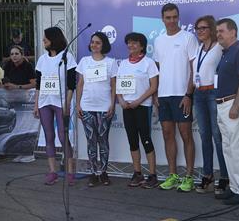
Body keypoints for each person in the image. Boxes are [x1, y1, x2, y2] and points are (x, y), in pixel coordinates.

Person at [153, 3, 198, 192]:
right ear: (162, 19)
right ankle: (172, 175)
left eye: (174, 17)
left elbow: (194, 70)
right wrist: (155, 94)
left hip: (182, 95)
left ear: (178, 17)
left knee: (186, 135)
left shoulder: (189, 38)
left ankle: (188, 176)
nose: (171, 21)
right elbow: (156, 70)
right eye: (168, 17)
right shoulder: (158, 40)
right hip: (164, 95)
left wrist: (188, 94)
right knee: (167, 134)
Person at [214, 18, 239, 205]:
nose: (218, 34)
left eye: (221, 31)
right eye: (217, 31)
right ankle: (235, 187)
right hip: (222, 105)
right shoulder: (226, 53)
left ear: (233, 32)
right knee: (228, 149)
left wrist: (236, 106)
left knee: (238, 149)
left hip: (233, 104)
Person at [34, 27, 76, 186]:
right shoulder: (42, 60)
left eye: (46, 38)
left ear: (54, 39)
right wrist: (36, 104)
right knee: (48, 136)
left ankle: (70, 172)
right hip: (45, 102)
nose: (43, 40)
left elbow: (71, 84)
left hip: (61, 102)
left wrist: (67, 102)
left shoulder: (67, 58)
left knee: (62, 136)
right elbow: (38, 84)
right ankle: (52, 171)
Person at [192, 15, 229, 195]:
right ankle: (207, 174)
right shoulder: (199, 48)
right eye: (198, 28)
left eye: (204, 28)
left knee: (217, 135)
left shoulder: (219, 47)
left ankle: (224, 176)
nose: (200, 31)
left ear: (212, 29)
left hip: (213, 94)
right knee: (204, 135)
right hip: (199, 94)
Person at [117, 32, 159, 189]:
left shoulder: (149, 63)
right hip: (127, 107)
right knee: (132, 140)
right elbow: (119, 86)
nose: (131, 45)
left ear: (142, 46)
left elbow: (154, 86)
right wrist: (121, 100)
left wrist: (138, 101)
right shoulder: (123, 64)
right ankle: (137, 173)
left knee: (146, 139)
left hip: (143, 106)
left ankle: (153, 175)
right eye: (129, 43)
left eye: (135, 43)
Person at [76, 32, 117, 186]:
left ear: (104, 44)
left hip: (104, 108)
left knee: (103, 141)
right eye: (93, 42)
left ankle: (104, 172)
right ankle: (93, 172)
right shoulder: (84, 61)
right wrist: (78, 104)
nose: (94, 45)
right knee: (91, 141)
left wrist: (112, 105)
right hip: (87, 107)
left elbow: (114, 86)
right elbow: (80, 84)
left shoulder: (111, 62)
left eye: (98, 42)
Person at [3, 45, 36, 163]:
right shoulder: (8, 65)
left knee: (25, 127)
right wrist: (6, 85)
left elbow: (34, 84)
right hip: (11, 98)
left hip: (24, 99)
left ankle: (29, 153)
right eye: (12, 54)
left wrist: (18, 87)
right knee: (15, 127)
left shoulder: (28, 66)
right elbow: (5, 80)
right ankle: (19, 153)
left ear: (21, 54)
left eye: (16, 54)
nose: (14, 56)